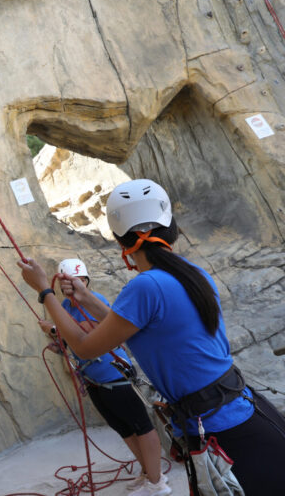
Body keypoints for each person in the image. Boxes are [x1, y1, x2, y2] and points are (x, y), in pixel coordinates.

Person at [18, 179, 285, 495]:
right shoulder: (191, 274)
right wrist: (85, 298)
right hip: (240, 411)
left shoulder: (144, 287)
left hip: (217, 428)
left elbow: (85, 347)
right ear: (170, 229)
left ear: (121, 240)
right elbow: (133, 326)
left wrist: (44, 291)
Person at [39, 258, 165, 494]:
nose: (71, 285)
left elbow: (94, 331)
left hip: (114, 374)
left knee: (141, 426)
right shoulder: (64, 307)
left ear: (85, 281)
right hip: (92, 379)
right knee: (122, 427)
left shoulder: (95, 301)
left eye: (77, 280)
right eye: (66, 282)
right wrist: (57, 342)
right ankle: (148, 472)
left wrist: (55, 330)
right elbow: (71, 342)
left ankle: (158, 483)